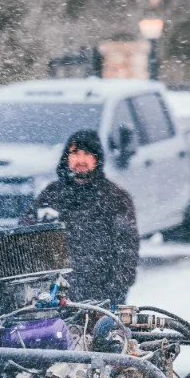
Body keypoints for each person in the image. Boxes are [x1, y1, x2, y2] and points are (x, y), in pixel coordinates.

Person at [20, 130, 139, 304]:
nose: (81, 160)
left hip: (102, 293)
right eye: (75, 153)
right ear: (66, 158)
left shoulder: (115, 197)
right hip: (56, 294)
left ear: (97, 159)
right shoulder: (51, 194)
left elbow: (127, 249)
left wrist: (117, 289)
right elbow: (26, 233)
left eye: (87, 154)